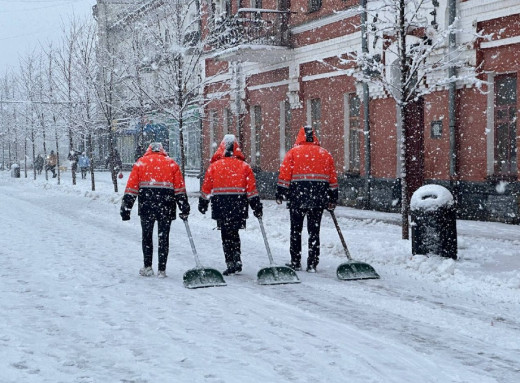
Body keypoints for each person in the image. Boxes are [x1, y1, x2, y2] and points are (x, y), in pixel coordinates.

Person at [120, 142, 190, 278]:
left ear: (149, 150)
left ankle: (147, 267)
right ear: (162, 150)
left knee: (147, 236)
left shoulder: (141, 163)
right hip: (166, 205)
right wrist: (184, 206)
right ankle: (162, 270)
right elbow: (179, 189)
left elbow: (132, 188)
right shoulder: (171, 164)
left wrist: (126, 208)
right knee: (164, 237)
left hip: (147, 204)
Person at [276, 125, 338, 273]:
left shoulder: (293, 153)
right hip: (318, 198)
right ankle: (312, 262)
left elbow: (285, 175)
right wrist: (333, 197)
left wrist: (280, 192)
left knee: (296, 230)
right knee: (314, 231)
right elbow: (332, 179)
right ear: (314, 136)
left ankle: (296, 261)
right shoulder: (325, 154)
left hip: (297, 197)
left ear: (300, 137)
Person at [198, 134, 263, 276]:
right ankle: (237, 258)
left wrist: (203, 203)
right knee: (234, 232)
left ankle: (230, 262)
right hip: (238, 204)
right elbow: (251, 189)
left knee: (225, 234)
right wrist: (256, 206)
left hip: (220, 204)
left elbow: (206, 187)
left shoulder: (214, 166)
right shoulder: (244, 166)